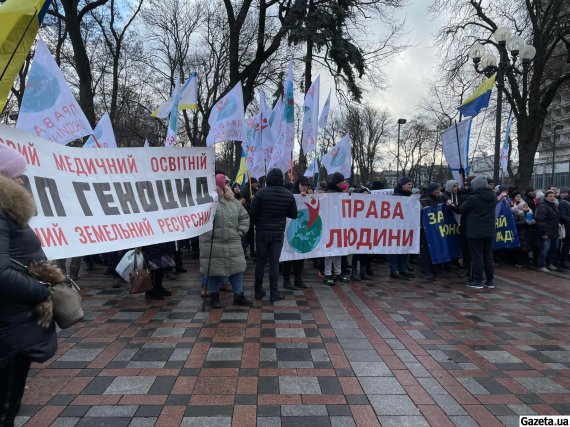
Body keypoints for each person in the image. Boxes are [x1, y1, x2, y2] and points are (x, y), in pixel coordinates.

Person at [0, 145, 59, 425]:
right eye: (15, 174)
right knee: (5, 407)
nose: (21, 179)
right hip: (8, 326)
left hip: (11, 322)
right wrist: (42, 291)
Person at [201, 174, 252, 308]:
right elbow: (198, 219)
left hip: (232, 241)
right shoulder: (207, 201)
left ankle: (239, 295)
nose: (228, 186)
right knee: (213, 271)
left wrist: (239, 232)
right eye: (226, 183)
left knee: (237, 269)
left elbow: (244, 217)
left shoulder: (233, 201)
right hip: (212, 242)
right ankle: (214, 297)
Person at [252, 168, 297, 302]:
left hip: (261, 232)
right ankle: (274, 293)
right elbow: (294, 214)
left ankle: (258, 290)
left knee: (260, 261)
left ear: (269, 179)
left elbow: (253, 214)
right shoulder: (288, 195)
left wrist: (258, 222)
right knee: (274, 263)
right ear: (281, 180)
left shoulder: (260, 193)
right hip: (278, 232)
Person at [459, 175, 497, 289]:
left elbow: (462, 209)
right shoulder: (493, 196)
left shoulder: (473, 198)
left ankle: (478, 280)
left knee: (477, 256)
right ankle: (490, 281)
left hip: (475, 230)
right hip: (489, 230)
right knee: (488, 255)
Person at [323, 172, 351, 286]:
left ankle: (338, 273)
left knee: (338, 251)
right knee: (329, 252)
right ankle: (328, 273)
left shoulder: (339, 193)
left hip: (339, 225)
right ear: (338, 182)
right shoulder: (330, 194)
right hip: (331, 225)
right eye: (342, 181)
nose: (344, 183)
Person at [281, 176, 309, 290]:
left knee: (300, 256)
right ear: (298, 184)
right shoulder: (290, 195)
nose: (304, 187)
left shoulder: (307, 195)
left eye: (306, 185)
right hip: (290, 229)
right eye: (302, 184)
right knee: (288, 256)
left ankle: (298, 279)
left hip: (301, 229)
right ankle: (286, 281)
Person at [389, 177, 415, 279]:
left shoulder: (411, 197)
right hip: (396, 226)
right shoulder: (395, 196)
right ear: (402, 185)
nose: (411, 186)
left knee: (405, 247)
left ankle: (403, 269)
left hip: (407, 226)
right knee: (395, 248)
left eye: (411, 184)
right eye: (409, 184)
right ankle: (394, 270)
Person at [535, 190, 562, 272]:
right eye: (550, 196)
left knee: (554, 248)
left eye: (553, 196)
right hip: (547, 231)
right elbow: (540, 220)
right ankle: (541, 265)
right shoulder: (542, 206)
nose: (552, 198)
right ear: (546, 197)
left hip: (554, 231)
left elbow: (556, 218)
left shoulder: (554, 206)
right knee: (545, 249)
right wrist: (544, 232)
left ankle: (549, 263)